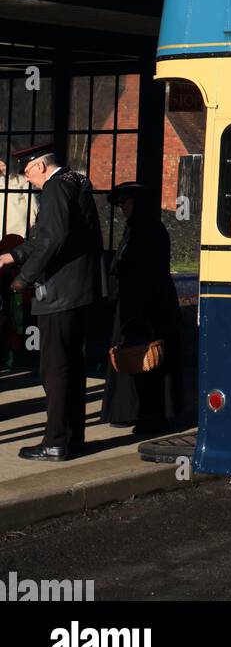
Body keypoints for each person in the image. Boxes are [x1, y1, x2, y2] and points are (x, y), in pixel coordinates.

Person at [0, 144, 102, 460]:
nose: (28, 179)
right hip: (78, 291)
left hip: (58, 293)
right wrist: (13, 255)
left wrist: (24, 277)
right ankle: (73, 437)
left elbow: (53, 239)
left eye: (28, 172)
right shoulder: (74, 183)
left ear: (42, 167)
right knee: (72, 365)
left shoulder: (56, 188)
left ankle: (55, 440)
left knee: (54, 370)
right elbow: (47, 237)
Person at [100, 182, 184, 435]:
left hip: (147, 304)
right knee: (133, 358)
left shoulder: (148, 230)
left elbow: (145, 270)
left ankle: (151, 414)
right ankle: (132, 410)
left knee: (148, 360)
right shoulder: (135, 228)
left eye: (126, 202)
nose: (123, 208)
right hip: (134, 302)